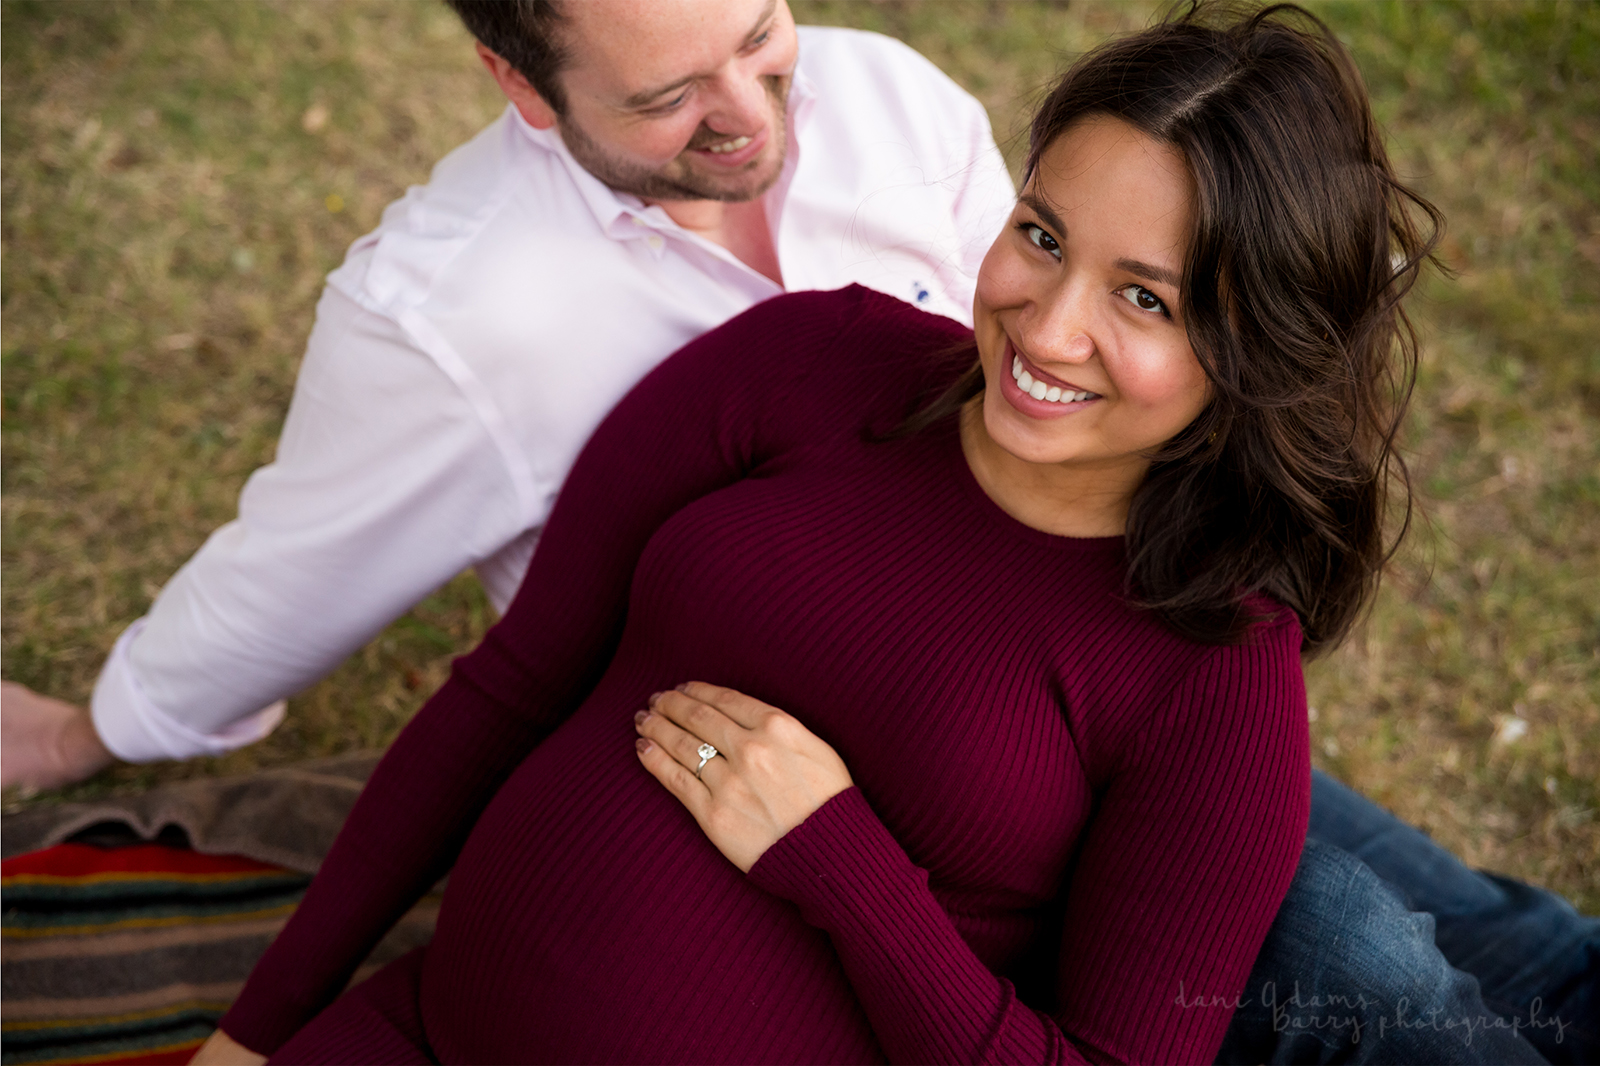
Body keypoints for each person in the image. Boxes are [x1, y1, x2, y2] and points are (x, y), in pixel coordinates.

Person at [190, 6, 1565, 1063]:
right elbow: (508, 689)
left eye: (1143, 299)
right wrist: (256, 1029)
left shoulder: (1211, 670)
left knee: (1375, 951)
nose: (1046, 321)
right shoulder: (805, 360)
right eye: (1042, 234)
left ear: (1251, 350)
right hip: (428, 1030)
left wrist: (840, 862)